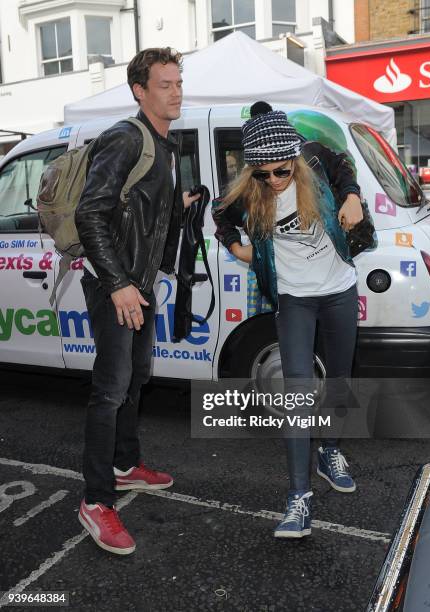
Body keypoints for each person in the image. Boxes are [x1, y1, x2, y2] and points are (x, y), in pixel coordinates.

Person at [212, 101, 364, 539]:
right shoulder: (251, 193)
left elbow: (345, 166)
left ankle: (330, 451)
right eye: (264, 173)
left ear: (294, 159)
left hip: (338, 290)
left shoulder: (315, 162)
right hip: (294, 300)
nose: (275, 181)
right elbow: (220, 216)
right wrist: (237, 248)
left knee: (338, 378)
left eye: (282, 171)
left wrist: (351, 196)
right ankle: (298, 497)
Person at [75, 47, 200, 555]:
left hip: (140, 284)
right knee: (109, 389)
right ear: (139, 91)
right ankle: (95, 500)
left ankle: (126, 467)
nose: (175, 92)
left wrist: (178, 205)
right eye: (164, 84)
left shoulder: (165, 145)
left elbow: (140, 210)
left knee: (137, 378)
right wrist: (118, 282)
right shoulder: (126, 137)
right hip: (115, 284)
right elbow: (91, 214)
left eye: (177, 83)